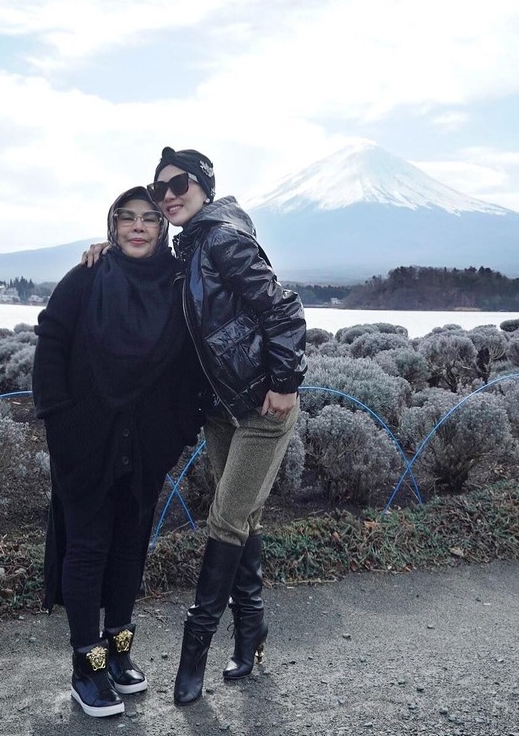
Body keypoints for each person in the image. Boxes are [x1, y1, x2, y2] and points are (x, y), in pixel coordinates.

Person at [33, 186, 202, 718]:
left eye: (148, 219)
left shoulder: (177, 285)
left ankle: (118, 653)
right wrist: (58, 420)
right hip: (85, 440)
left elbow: (191, 365)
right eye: (125, 218)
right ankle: (88, 663)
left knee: (130, 545)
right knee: (88, 547)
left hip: (147, 444)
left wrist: (179, 431)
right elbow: (52, 339)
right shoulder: (88, 275)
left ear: (162, 228)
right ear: (111, 228)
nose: (136, 227)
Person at [149, 147, 307, 705]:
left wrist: (285, 382)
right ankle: (251, 632)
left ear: (204, 185)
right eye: (159, 187)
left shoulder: (220, 238)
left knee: (226, 517)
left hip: (263, 409)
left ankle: (194, 652)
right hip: (223, 407)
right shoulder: (190, 243)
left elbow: (283, 309)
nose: (168, 194)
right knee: (245, 515)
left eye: (180, 183)